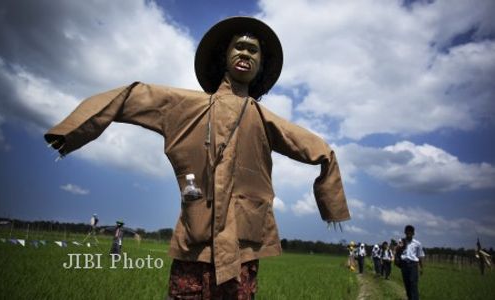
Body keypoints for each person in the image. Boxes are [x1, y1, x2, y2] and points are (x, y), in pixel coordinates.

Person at [44, 16, 350, 299]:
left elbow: (323, 151)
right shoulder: (185, 106)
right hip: (195, 244)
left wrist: (331, 206)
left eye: (254, 51)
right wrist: (72, 131)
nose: (246, 54)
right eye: (239, 47)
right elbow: (131, 95)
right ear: (224, 56)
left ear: (261, 65)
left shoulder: (267, 121)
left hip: (244, 247)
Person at [399, 225, 424, 300]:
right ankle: (410, 298)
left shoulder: (417, 244)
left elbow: (420, 256)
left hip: (413, 265)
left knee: (413, 283)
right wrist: (399, 247)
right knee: (407, 284)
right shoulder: (401, 241)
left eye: (410, 232)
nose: (408, 234)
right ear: (405, 232)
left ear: (413, 233)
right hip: (404, 265)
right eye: (407, 232)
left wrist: (421, 267)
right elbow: (396, 251)